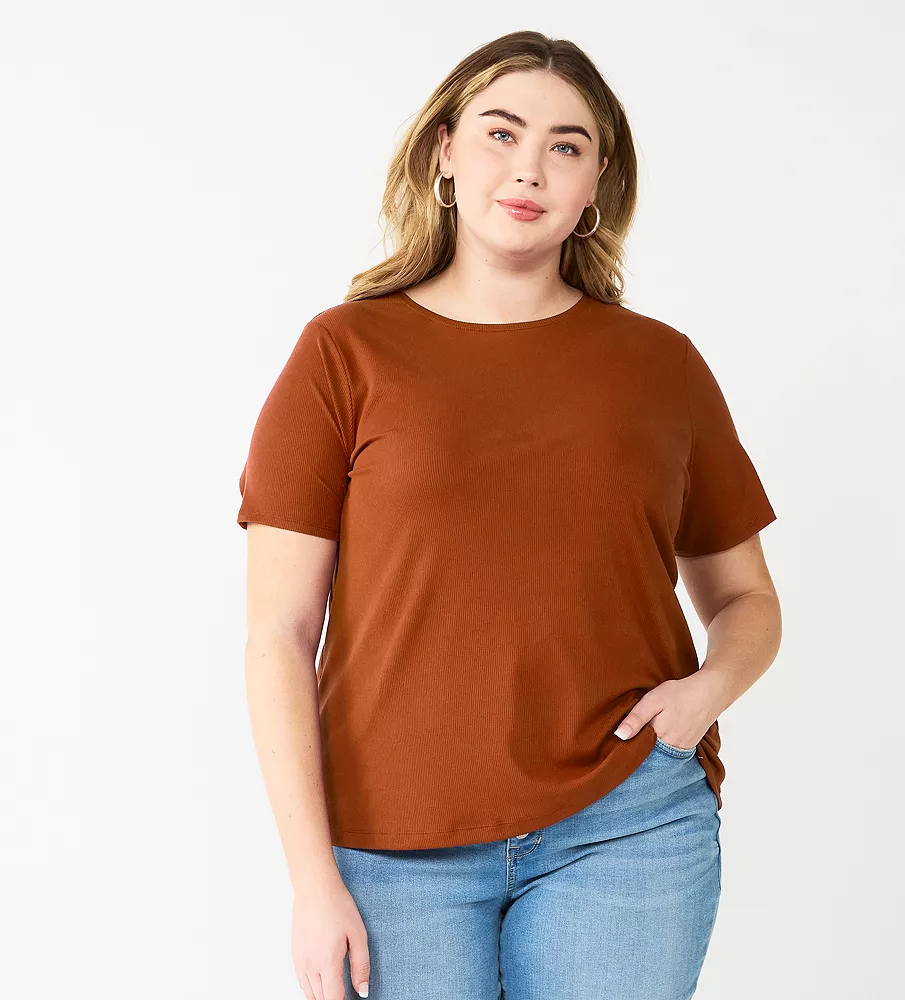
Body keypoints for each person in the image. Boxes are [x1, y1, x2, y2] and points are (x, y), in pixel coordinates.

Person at [237, 29, 780, 1000]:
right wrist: (312, 879)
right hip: (390, 844)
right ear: (445, 151)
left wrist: (703, 696)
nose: (529, 167)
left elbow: (747, 599)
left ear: (596, 182)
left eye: (567, 145)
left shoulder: (660, 367)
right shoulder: (344, 353)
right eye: (502, 132)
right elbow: (278, 632)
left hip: (626, 826)